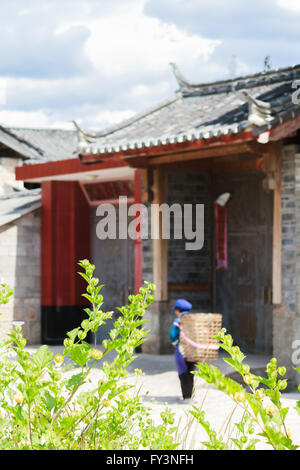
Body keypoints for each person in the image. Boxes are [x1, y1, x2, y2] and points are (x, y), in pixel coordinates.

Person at [169, 298, 196, 402]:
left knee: (183, 373)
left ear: (177, 310)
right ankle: (191, 395)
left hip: (181, 350)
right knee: (191, 372)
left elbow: (173, 335)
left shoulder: (178, 321)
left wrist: (174, 342)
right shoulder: (193, 320)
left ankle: (186, 397)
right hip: (194, 350)